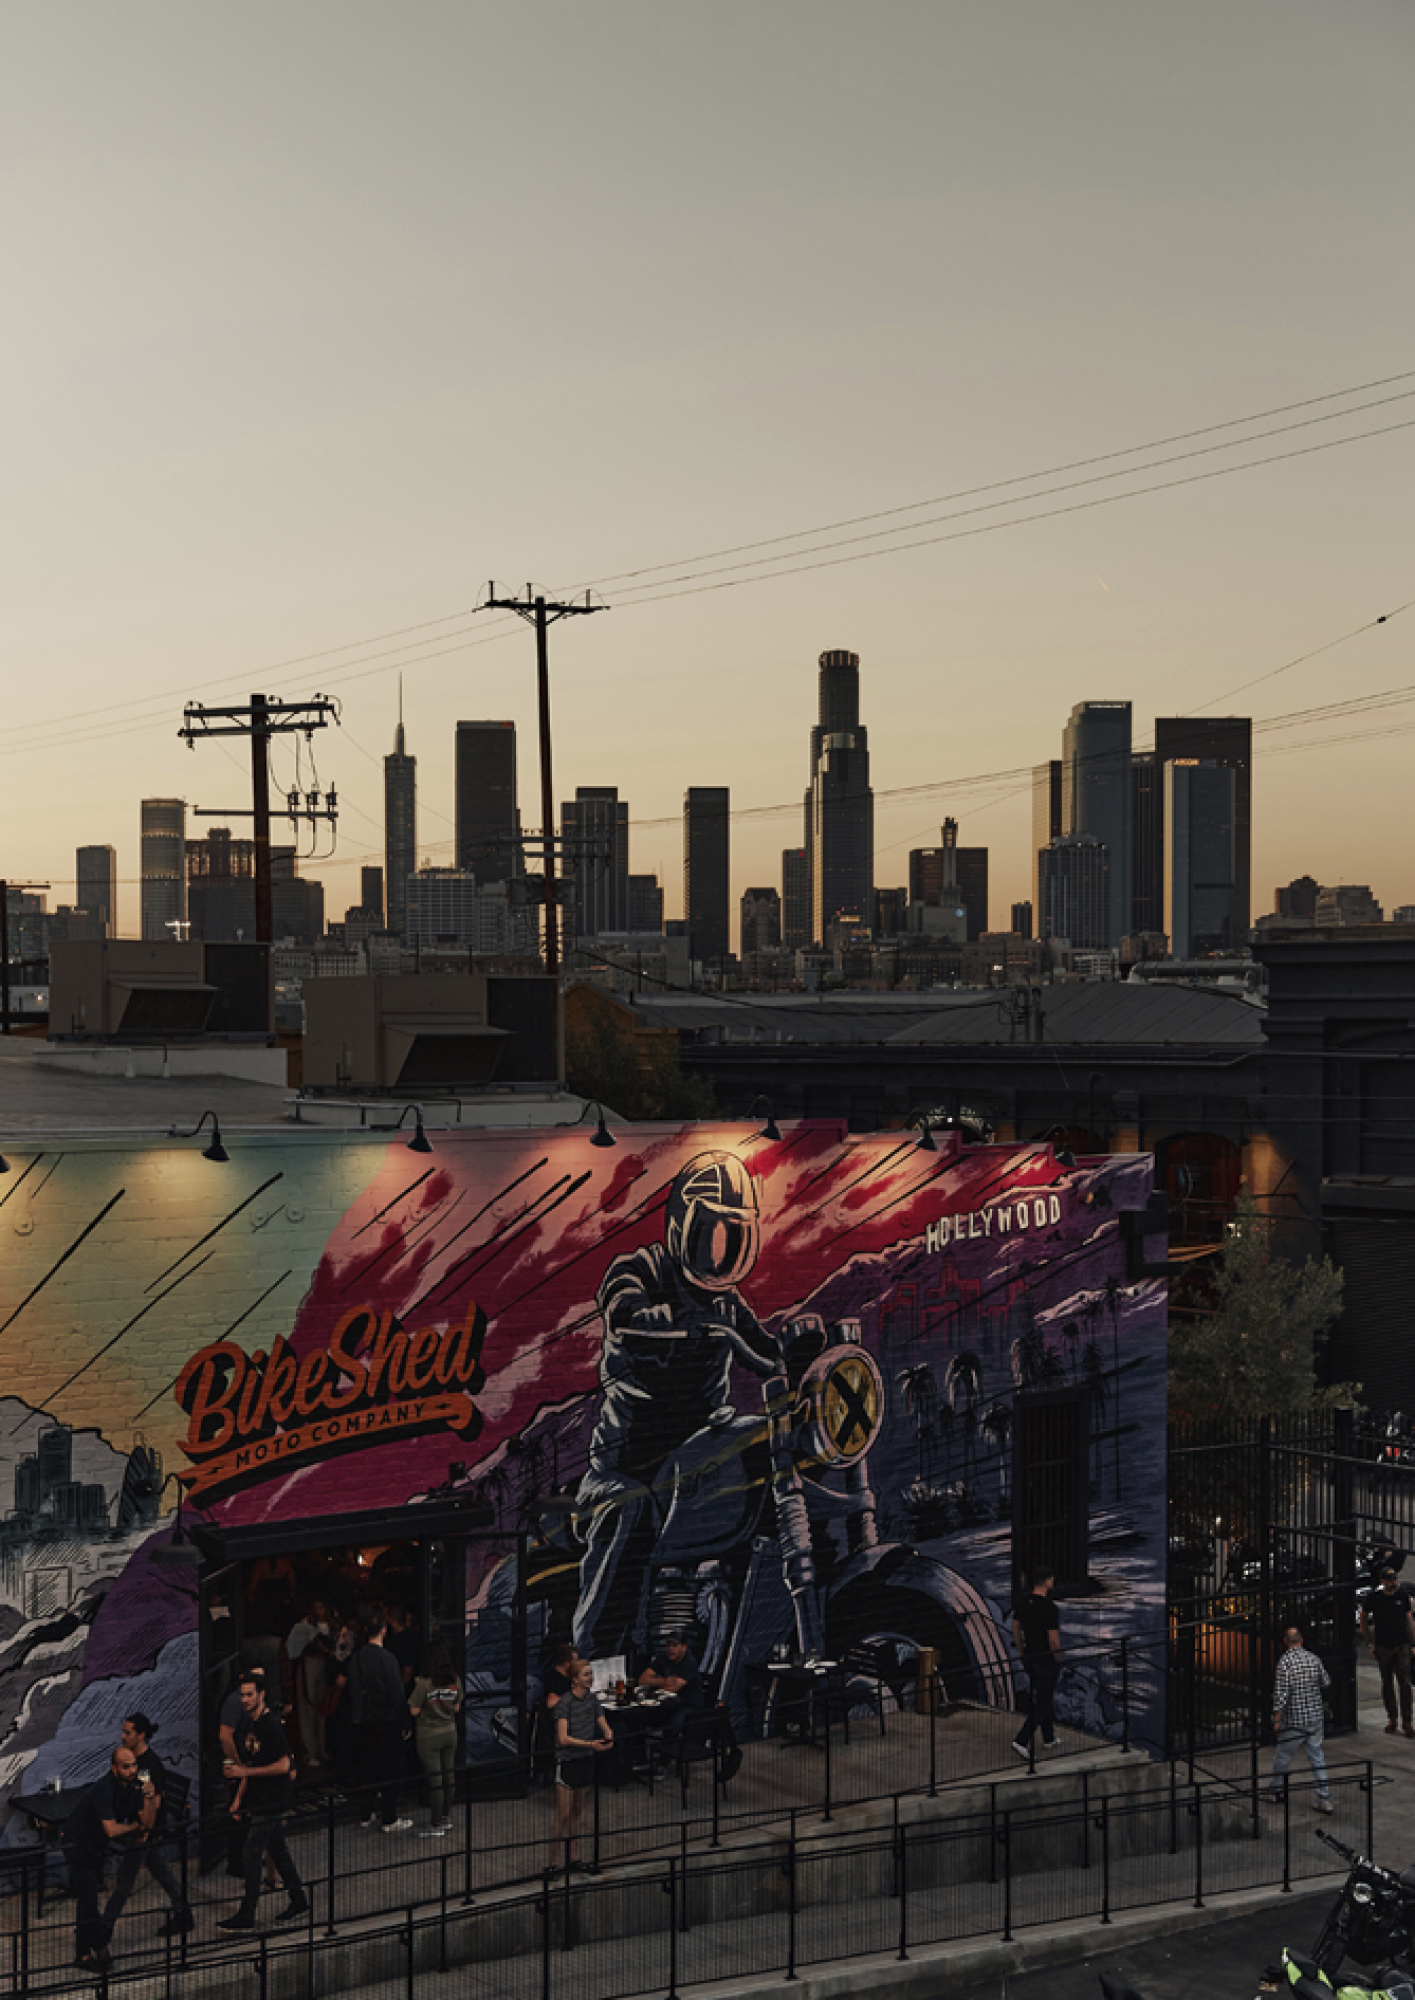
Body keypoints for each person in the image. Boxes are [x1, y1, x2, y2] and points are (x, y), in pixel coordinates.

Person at [572, 1152, 779, 1657]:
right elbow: (621, 1307)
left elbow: (766, 1351)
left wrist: (795, 1353)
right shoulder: (638, 1269)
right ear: (682, 1226)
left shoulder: (729, 1302)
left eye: (732, 1235)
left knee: (766, 1452)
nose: (718, 1250)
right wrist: (658, 1317)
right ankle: (598, 1665)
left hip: (693, 1462)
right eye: (709, 1231)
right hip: (626, 1469)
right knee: (629, 1508)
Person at [217, 1672, 309, 1931]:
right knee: (278, 1850)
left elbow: (283, 1765)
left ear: (261, 1695)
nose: (245, 1700)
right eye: (242, 1695)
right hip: (260, 1798)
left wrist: (243, 1774)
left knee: (251, 1852)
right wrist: (238, 1798)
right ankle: (299, 1900)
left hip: (272, 1800)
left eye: (250, 1694)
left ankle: (247, 1914)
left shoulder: (271, 1725)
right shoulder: (252, 1724)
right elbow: (252, 1763)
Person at [102, 1714, 193, 1941]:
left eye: (128, 1733)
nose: (123, 1737)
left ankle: (104, 1927)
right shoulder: (137, 1762)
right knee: (158, 1870)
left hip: (145, 1830)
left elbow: (153, 1801)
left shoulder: (148, 1766)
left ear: (141, 1735)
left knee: (125, 1881)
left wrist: (144, 1829)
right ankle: (184, 1913)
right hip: (142, 1827)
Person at [65, 1744, 154, 1972]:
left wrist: (148, 1796)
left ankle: (83, 1954)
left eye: (134, 1765)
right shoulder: (104, 1788)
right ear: (114, 1768)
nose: (132, 1770)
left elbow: (147, 1823)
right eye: (126, 1767)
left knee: (87, 1900)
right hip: (79, 1844)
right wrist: (135, 1826)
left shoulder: (134, 1786)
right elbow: (112, 1830)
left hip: (96, 1847)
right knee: (89, 1902)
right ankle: (101, 1951)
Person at [347, 1612, 412, 1832]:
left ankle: (366, 1813)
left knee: (367, 1767)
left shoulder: (356, 1658)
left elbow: (352, 1690)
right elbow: (396, 1692)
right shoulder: (388, 1659)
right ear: (384, 1630)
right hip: (387, 1719)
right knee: (389, 1769)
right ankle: (389, 1817)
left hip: (363, 1719)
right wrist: (405, 1722)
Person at [553, 1660, 613, 1870]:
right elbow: (563, 1738)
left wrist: (608, 1734)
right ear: (575, 1679)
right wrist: (590, 1744)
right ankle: (552, 1862)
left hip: (585, 1758)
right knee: (563, 1814)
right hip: (569, 1759)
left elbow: (602, 1720)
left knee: (578, 1810)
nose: (591, 1678)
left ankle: (573, 1857)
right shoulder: (565, 1703)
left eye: (591, 1674)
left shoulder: (592, 1699)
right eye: (586, 1674)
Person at [1266, 1624, 1333, 1814]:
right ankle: (1324, 1797)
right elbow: (1325, 1682)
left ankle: (1275, 1790)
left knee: (1284, 1755)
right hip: (1314, 1716)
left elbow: (1281, 1694)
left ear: (1286, 1642)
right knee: (1316, 1757)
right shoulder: (1313, 1658)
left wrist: (1277, 1719)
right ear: (1302, 1640)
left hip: (1294, 1719)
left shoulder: (1285, 1663)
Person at [409, 1643, 463, 1836]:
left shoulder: (424, 1683)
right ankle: (446, 1817)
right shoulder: (455, 1680)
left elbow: (414, 1710)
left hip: (429, 1735)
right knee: (449, 1777)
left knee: (436, 1781)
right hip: (450, 1732)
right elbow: (457, 1708)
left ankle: (436, 1823)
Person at [1011, 1567, 1062, 1757]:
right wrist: (1058, 1659)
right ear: (1047, 1581)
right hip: (1046, 1660)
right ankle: (1021, 1739)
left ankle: (1049, 1737)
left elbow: (1015, 1629)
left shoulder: (1023, 1602)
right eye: (1052, 1580)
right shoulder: (1050, 1608)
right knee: (1044, 1702)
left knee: (1042, 1696)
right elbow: (1053, 1640)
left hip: (1030, 1657)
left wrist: (1021, 1652)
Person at [1360, 1566, 1415, 1738]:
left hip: (1402, 1644)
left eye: (1394, 1580)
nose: (1393, 1583)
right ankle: (1392, 1717)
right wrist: (1370, 1643)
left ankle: (1407, 1720)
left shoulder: (1402, 1595)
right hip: (1383, 1645)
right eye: (1390, 1581)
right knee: (1387, 1683)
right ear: (1382, 1582)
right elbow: (1363, 1618)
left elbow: (1409, 1620)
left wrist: (1413, 1643)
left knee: (1405, 1683)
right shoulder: (1375, 1599)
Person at [287, 1601, 333, 1769]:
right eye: (316, 1607)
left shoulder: (333, 1624)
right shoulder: (304, 1625)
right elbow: (293, 1647)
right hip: (308, 1664)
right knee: (308, 1707)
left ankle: (321, 1748)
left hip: (325, 1667)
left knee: (322, 1708)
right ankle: (309, 1752)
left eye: (322, 1607)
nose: (319, 1610)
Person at [638, 1631, 705, 1742]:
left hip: (688, 1705)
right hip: (667, 1704)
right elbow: (642, 1680)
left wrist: (654, 1683)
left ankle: (667, 1756)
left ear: (684, 1647)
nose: (670, 1649)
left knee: (673, 1724)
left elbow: (673, 1688)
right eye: (668, 1645)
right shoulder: (661, 1658)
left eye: (675, 1645)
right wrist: (664, 1681)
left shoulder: (689, 1663)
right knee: (639, 1719)